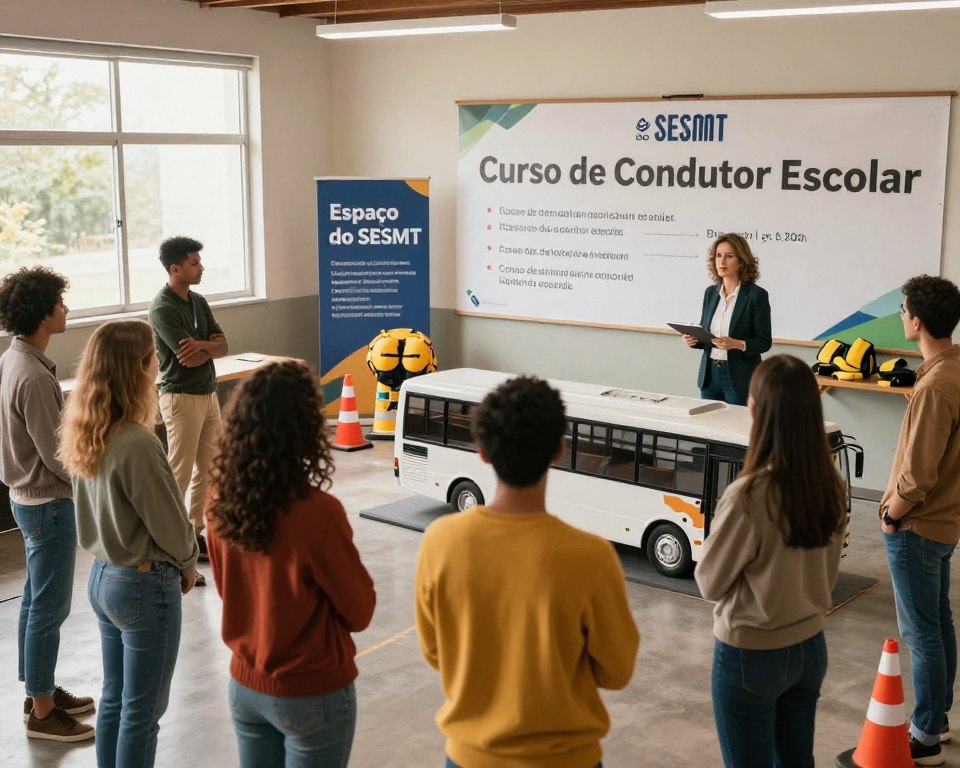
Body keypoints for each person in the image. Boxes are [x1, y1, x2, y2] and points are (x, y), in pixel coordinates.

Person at [415, 375, 639, 768]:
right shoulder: (592, 557)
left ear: (481, 452)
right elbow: (617, 671)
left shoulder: (440, 541)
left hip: (470, 757)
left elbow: (436, 653)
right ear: (558, 451)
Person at [205, 360, 376, 768]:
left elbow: (231, 591)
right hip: (310, 692)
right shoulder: (317, 512)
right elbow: (360, 610)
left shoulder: (218, 503)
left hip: (245, 686)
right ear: (305, 430)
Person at [694, 354, 846, 768]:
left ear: (756, 411)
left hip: (750, 654)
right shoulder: (830, 485)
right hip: (810, 648)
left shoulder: (749, 495)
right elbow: (828, 573)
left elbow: (709, 582)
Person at [59, 320, 199, 768]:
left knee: (116, 700)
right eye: (153, 356)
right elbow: (169, 520)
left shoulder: (87, 430)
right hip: (143, 584)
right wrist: (189, 562)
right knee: (144, 712)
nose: (159, 362)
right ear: (138, 369)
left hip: (103, 577)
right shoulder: (137, 441)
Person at [0, 267, 95, 742]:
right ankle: (42, 715)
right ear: (42, 313)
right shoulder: (34, 376)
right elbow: (57, 456)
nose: (66, 309)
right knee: (48, 610)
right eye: (60, 302)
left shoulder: (14, 359)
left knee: (35, 603)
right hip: (48, 505)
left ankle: (37, 691)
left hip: (25, 500)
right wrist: (94, 478)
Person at [879, 275, 960, 766]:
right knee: (939, 623)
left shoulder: (935, 386)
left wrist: (891, 515)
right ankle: (940, 717)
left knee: (921, 632)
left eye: (905, 309)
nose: (903, 315)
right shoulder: (952, 370)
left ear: (917, 320)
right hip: (946, 523)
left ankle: (926, 733)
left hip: (917, 526)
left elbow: (918, 475)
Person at [148, 235, 228, 578]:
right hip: (180, 396)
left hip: (208, 393)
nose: (201, 268)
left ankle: (193, 537)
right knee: (177, 473)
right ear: (174, 269)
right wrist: (205, 346)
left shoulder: (199, 301)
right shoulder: (163, 306)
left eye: (199, 261)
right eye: (194, 263)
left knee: (211, 470)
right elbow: (189, 359)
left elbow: (223, 346)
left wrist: (205, 346)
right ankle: (166, 546)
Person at [682, 232, 772, 405]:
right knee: (708, 429)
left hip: (739, 378)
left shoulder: (756, 295)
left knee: (735, 428)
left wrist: (737, 344)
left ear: (741, 261)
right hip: (710, 376)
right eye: (718, 256)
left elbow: (764, 342)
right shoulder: (710, 293)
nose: (722, 262)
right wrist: (695, 340)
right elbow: (707, 334)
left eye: (729, 256)